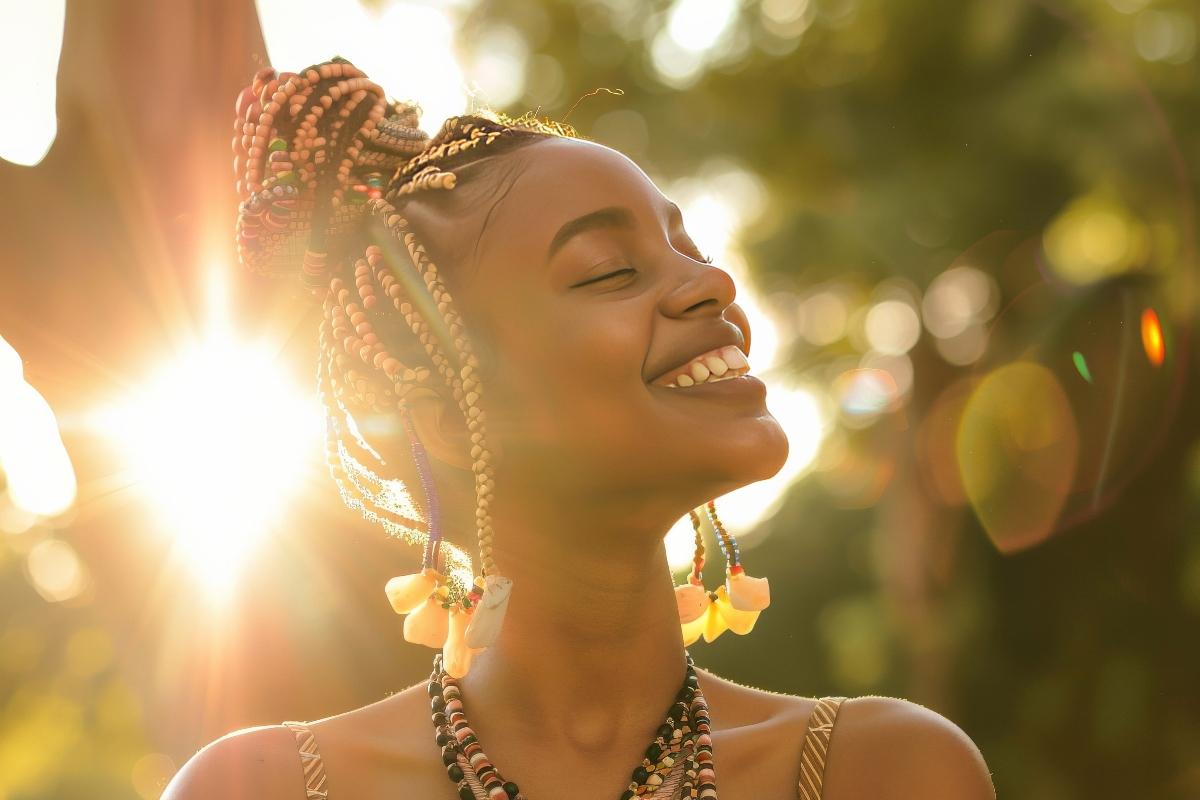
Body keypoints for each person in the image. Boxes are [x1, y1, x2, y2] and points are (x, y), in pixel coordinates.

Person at [164, 57, 996, 800]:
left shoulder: (887, 775)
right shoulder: (258, 790)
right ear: (449, 417)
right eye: (611, 271)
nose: (713, 286)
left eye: (689, 249)